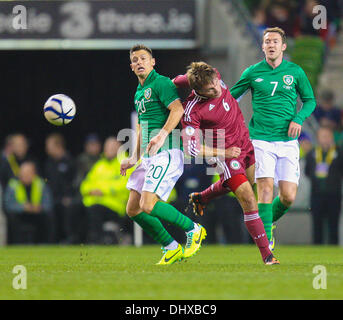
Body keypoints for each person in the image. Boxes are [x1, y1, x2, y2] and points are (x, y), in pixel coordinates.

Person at [188, 27, 316, 251]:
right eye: (267, 41)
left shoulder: (295, 72)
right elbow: (228, 96)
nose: (271, 45)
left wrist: (299, 118)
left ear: (283, 46)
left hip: (287, 141)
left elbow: (310, 100)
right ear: (262, 46)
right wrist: (205, 110)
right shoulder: (252, 72)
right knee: (264, 187)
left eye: (275, 41)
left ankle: (267, 223)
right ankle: (266, 243)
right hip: (260, 139)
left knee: (288, 196)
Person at [173, 61, 279, 265]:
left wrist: (176, 80)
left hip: (245, 144)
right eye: (209, 88)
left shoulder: (212, 75)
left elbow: (181, 79)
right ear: (197, 90)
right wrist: (224, 152)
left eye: (215, 83)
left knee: (254, 183)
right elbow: (191, 149)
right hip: (226, 155)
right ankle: (267, 255)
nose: (216, 87)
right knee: (248, 199)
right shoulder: (192, 111)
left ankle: (202, 197)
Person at [120, 44, 206, 265]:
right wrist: (133, 157)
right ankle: (171, 247)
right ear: (131, 67)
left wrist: (162, 135)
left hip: (167, 150)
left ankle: (193, 229)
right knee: (133, 209)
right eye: (135, 60)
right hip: (148, 156)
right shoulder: (138, 93)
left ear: (152, 62)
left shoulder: (162, 83)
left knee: (148, 204)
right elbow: (141, 128)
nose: (139, 62)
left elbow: (177, 109)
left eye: (143, 59)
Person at [80, 137, 131, 244]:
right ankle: (76, 240)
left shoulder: (126, 164)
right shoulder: (99, 165)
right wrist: (90, 191)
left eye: (112, 147)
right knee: (74, 208)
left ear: (119, 149)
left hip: (115, 206)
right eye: (107, 147)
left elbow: (125, 185)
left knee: (95, 210)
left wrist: (102, 191)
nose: (109, 150)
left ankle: (96, 240)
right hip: (93, 202)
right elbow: (84, 185)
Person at [305, 126, 343, 244]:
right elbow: (307, 171)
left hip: (334, 195)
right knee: (317, 225)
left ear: (331, 137)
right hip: (316, 195)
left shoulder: (339, 153)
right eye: (323, 136)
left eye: (327, 136)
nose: (325, 139)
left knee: (333, 225)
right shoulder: (312, 154)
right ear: (318, 138)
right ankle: (316, 249)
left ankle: (333, 250)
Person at [4, 161, 53, 244]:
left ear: (34, 174)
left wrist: (39, 208)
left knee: (49, 216)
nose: (24, 176)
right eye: (22, 173)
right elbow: (7, 205)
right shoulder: (13, 184)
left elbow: (49, 204)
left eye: (27, 173)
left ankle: (47, 243)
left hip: (37, 214)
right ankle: (16, 244)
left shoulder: (41, 184)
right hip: (20, 215)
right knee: (11, 216)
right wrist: (23, 207)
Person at [44, 133, 75, 243]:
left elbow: (74, 182)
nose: (46, 148)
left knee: (67, 209)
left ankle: (69, 239)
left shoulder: (70, 161)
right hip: (52, 198)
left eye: (49, 145)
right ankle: (51, 241)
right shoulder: (49, 163)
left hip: (67, 198)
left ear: (58, 146)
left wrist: (69, 196)